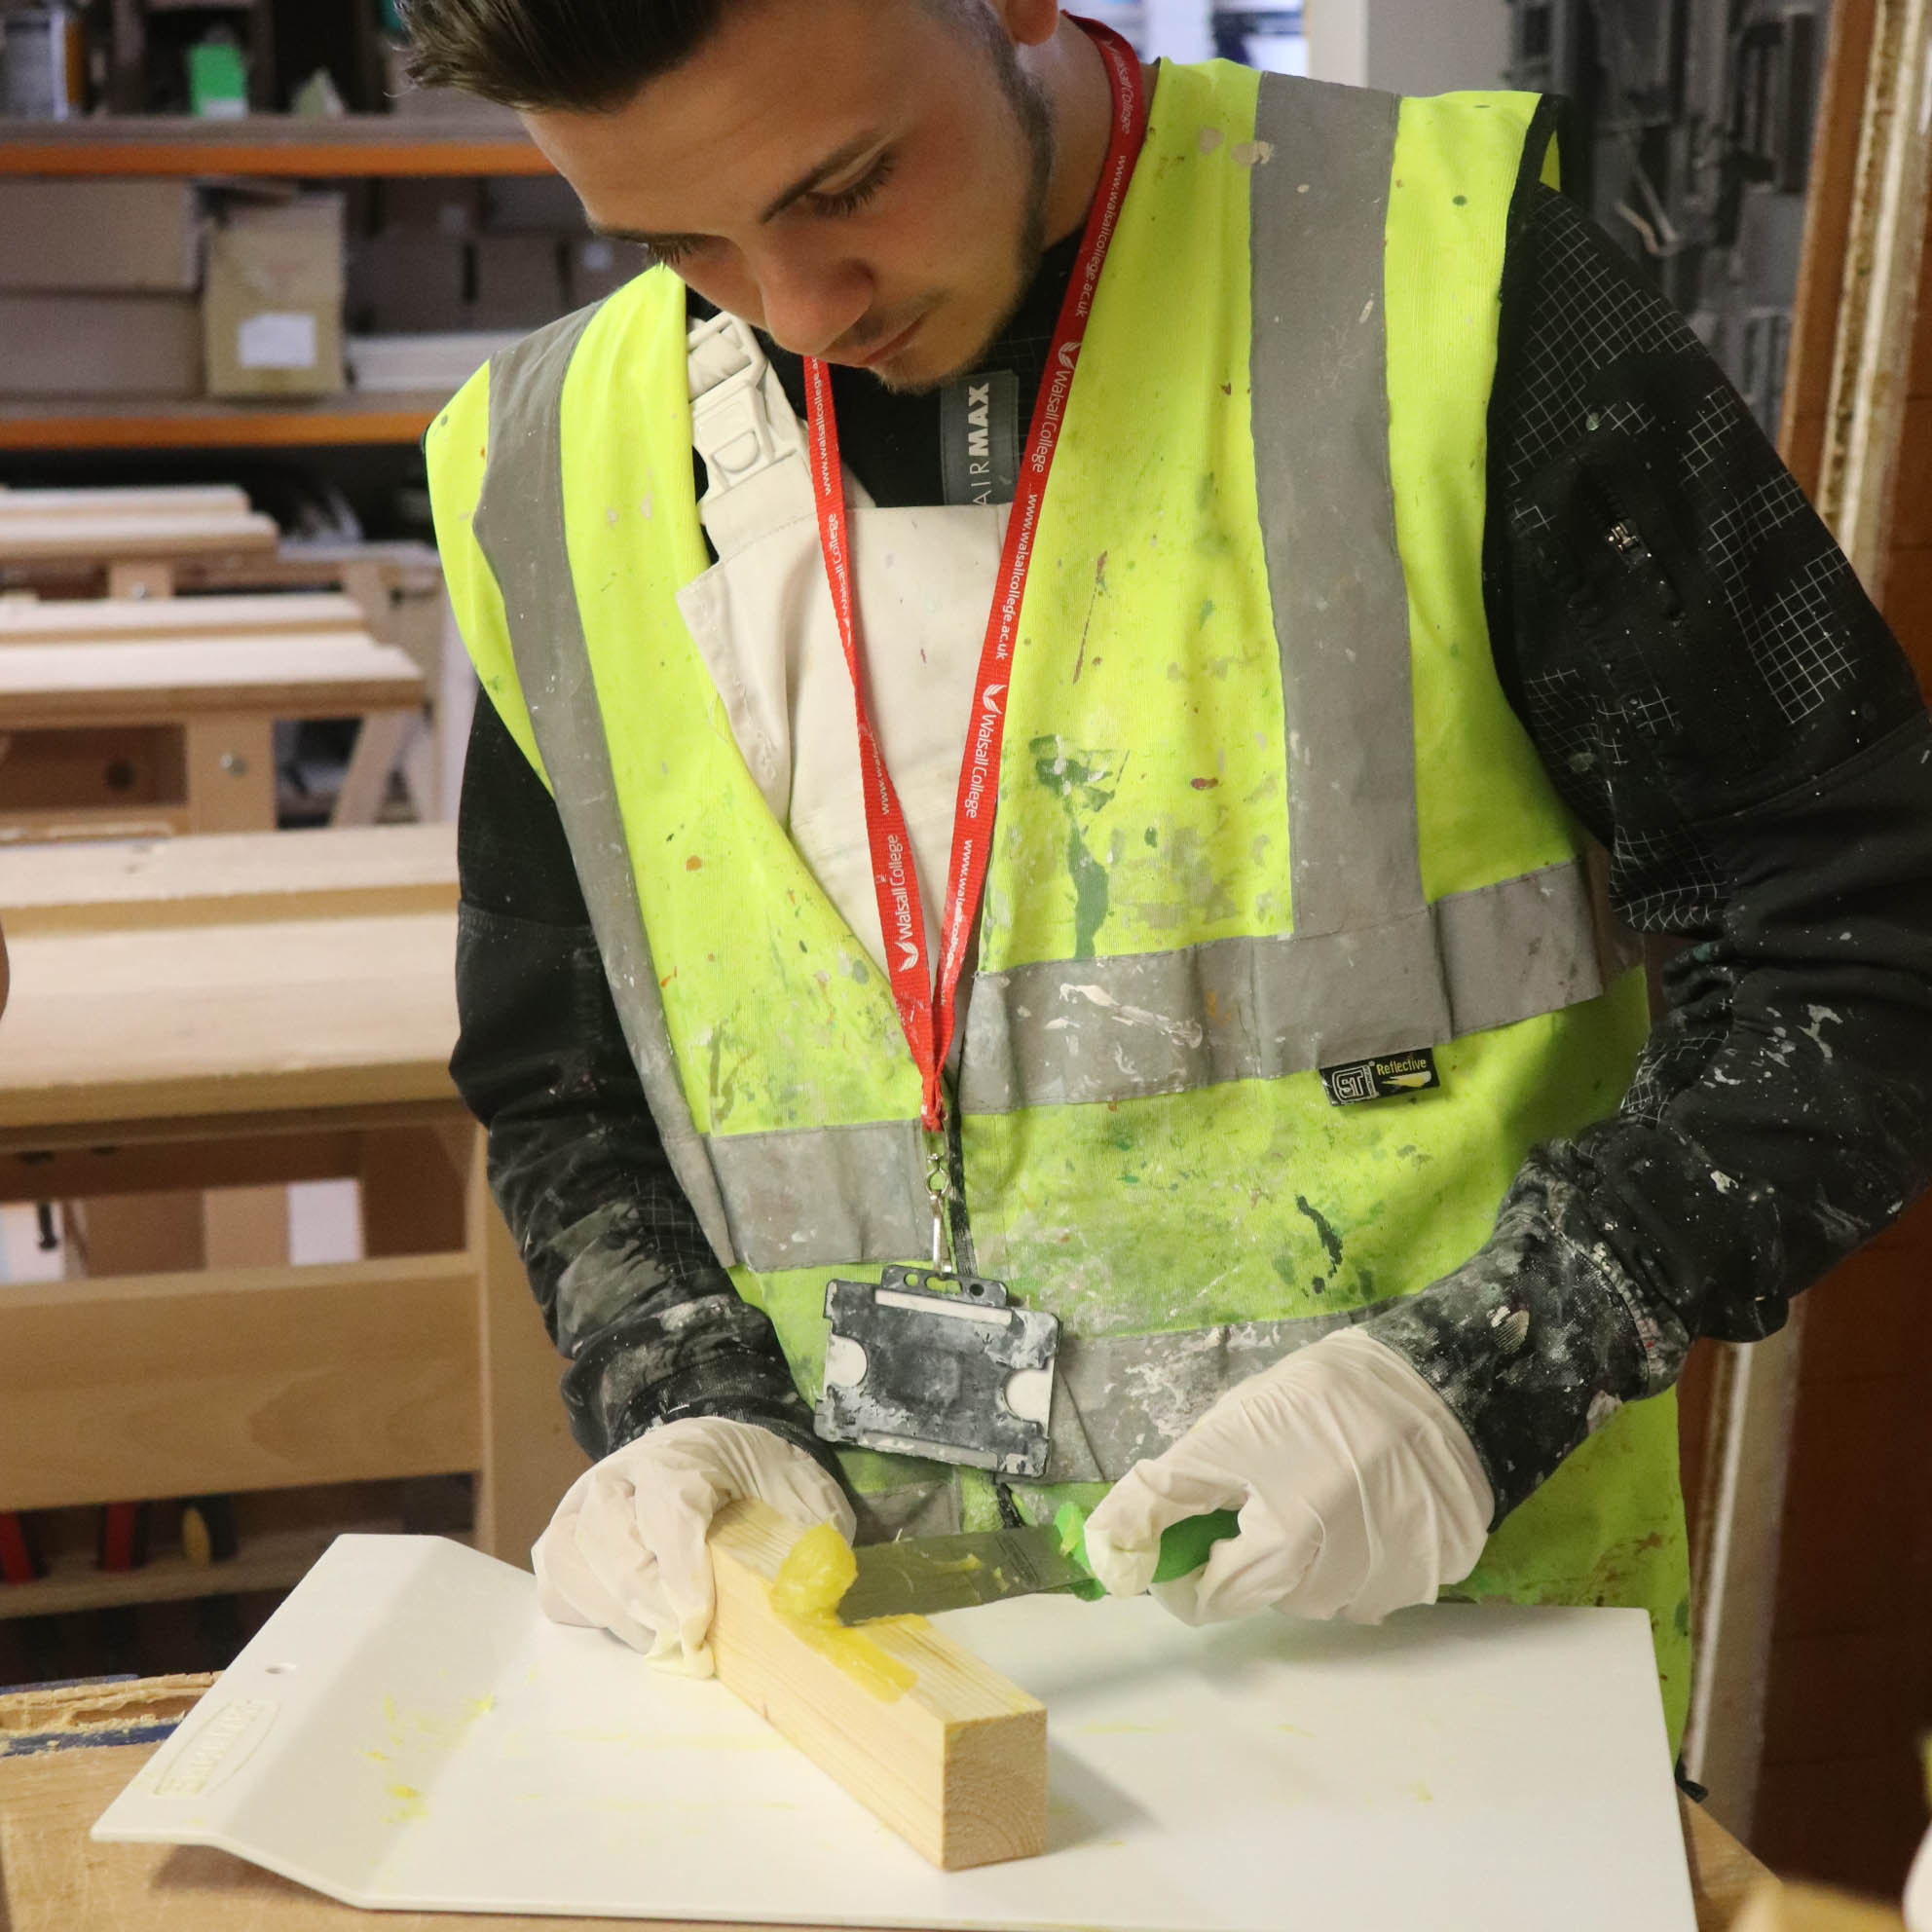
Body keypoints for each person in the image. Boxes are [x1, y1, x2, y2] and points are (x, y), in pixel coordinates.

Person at [406, 0, 1932, 1753]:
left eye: (848, 185)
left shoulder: (1441, 289)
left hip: (1441, 1692)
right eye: (681, 241)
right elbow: (567, 1080)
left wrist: (1500, 1365)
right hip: (860, 1709)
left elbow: (1863, 933)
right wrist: (679, 1387)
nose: (801, 308)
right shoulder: (549, 466)